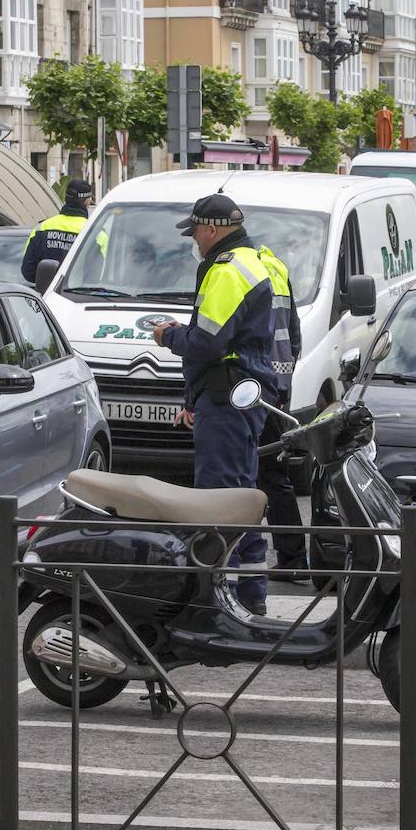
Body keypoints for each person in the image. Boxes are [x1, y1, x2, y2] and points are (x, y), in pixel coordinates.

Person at [152, 194, 279, 616]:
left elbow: (206, 343)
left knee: (218, 502)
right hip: (247, 395)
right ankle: (252, 596)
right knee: (242, 497)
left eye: (196, 233)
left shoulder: (227, 272)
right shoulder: (263, 260)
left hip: (228, 399)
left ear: (211, 230)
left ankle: (218, 601)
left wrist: (168, 336)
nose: (195, 242)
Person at [257, 246, 307, 575]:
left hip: (254, 390)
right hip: (277, 386)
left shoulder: (240, 271)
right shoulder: (275, 266)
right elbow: (294, 335)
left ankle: (291, 558)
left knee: (262, 475)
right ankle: (291, 557)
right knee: (272, 474)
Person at [21, 178, 93, 284]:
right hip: (78, 297)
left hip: (45, 297)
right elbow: (97, 274)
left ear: (66, 198)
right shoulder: (93, 231)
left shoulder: (41, 228)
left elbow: (28, 270)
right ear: (87, 201)